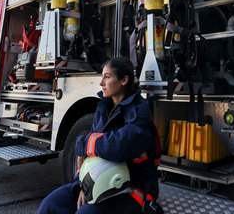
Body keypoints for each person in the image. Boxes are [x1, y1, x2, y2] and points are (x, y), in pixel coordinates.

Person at [37, 57, 161, 214]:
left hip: (130, 187)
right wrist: (84, 186)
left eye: (107, 77)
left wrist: (86, 144)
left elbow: (118, 146)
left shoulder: (139, 112)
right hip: (96, 182)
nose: (101, 82)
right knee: (50, 205)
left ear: (123, 80)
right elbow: (91, 149)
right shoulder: (103, 107)